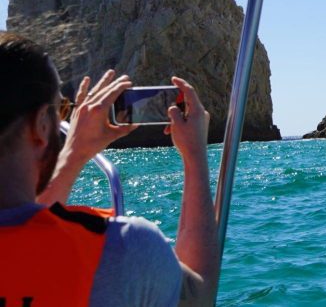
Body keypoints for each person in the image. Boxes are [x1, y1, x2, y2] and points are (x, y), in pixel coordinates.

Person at [0, 32, 220, 306]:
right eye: (61, 109)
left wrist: (74, 154)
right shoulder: (123, 251)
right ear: (42, 125)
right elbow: (201, 291)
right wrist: (195, 154)